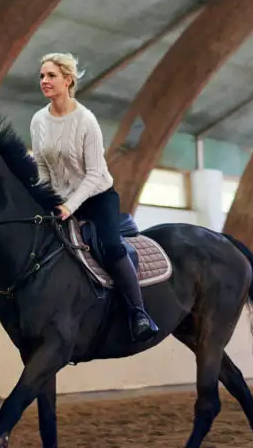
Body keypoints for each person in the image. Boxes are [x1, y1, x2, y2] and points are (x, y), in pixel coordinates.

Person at [29, 52, 159, 343]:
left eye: (51, 76)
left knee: (111, 246)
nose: (44, 81)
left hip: (96, 196)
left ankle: (138, 313)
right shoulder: (38, 120)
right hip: (58, 200)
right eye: (41, 76)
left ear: (68, 80)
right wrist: (43, 198)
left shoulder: (86, 120)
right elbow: (41, 167)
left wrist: (69, 205)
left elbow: (95, 174)